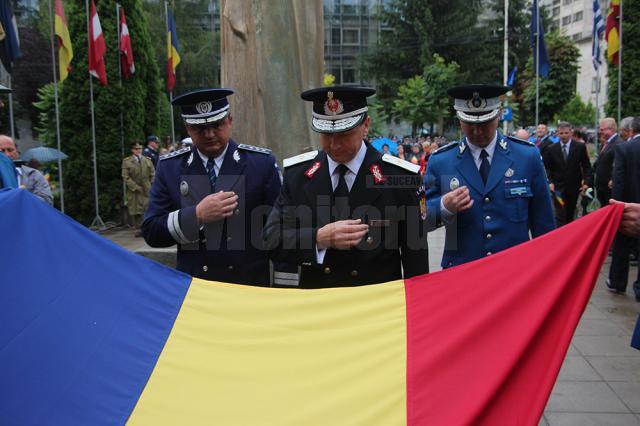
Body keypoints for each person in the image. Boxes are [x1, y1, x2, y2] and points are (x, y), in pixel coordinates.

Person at [263, 86, 429, 288]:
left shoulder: (400, 178)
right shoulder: (298, 176)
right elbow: (271, 239)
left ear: (366, 126)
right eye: (326, 135)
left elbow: (416, 265)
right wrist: (318, 238)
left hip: (375, 308)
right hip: (320, 305)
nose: (335, 145)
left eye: (344, 134)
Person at [143, 88, 282, 286]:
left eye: (217, 125)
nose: (209, 134)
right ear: (188, 128)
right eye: (199, 128)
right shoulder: (170, 168)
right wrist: (196, 215)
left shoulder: (260, 164)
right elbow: (152, 232)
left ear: (230, 121)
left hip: (247, 288)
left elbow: (281, 230)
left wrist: (282, 291)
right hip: (196, 288)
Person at [425, 84, 555, 268]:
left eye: (484, 124)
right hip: (462, 274)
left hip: (514, 272)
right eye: (469, 124)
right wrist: (443, 206)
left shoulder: (526, 157)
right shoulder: (441, 161)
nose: (477, 131)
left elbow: (544, 226)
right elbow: (420, 222)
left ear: (499, 114)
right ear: (459, 119)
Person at [607, 117, 640, 300]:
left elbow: (618, 180)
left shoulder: (625, 149)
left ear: (630, 130)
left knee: (621, 247)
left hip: (627, 207)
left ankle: (618, 282)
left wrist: (616, 207)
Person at [542, 121, 593, 226]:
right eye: (561, 133)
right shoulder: (551, 149)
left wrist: (587, 182)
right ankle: (561, 235)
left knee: (570, 214)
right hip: (557, 188)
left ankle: (569, 235)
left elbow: (586, 166)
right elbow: (547, 168)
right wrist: (550, 182)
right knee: (560, 214)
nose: (564, 136)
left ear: (571, 133)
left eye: (566, 133)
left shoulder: (579, 147)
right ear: (557, 133)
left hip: (574, 187)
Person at [0, 135, 53, 204]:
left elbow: (47, 201)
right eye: (2, 151)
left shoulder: (34, 174)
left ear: (17, 152)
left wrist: (24, 196)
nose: (7, 154)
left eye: (10, 150)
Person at [122, 142, 155, 235]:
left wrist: (151, 184)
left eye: (140, 149)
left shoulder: (147, 160)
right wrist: (135, 186)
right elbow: (125, 176)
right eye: (136, 149)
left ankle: (148, 228)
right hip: (135, 190)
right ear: (133, 150)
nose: (138, 151)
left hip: (147, 188)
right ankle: (139, 229)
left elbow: (153, 173)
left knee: (147, 208)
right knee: (136, 210)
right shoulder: (127, 161)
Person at [594, 118, 624, 208]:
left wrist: (612, 179)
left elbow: (618, 165)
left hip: (609, 189)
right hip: (602, 187)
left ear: (610, 129)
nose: (600, 131)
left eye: (602, 129)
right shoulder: (607, 142)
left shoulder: (618, 143)